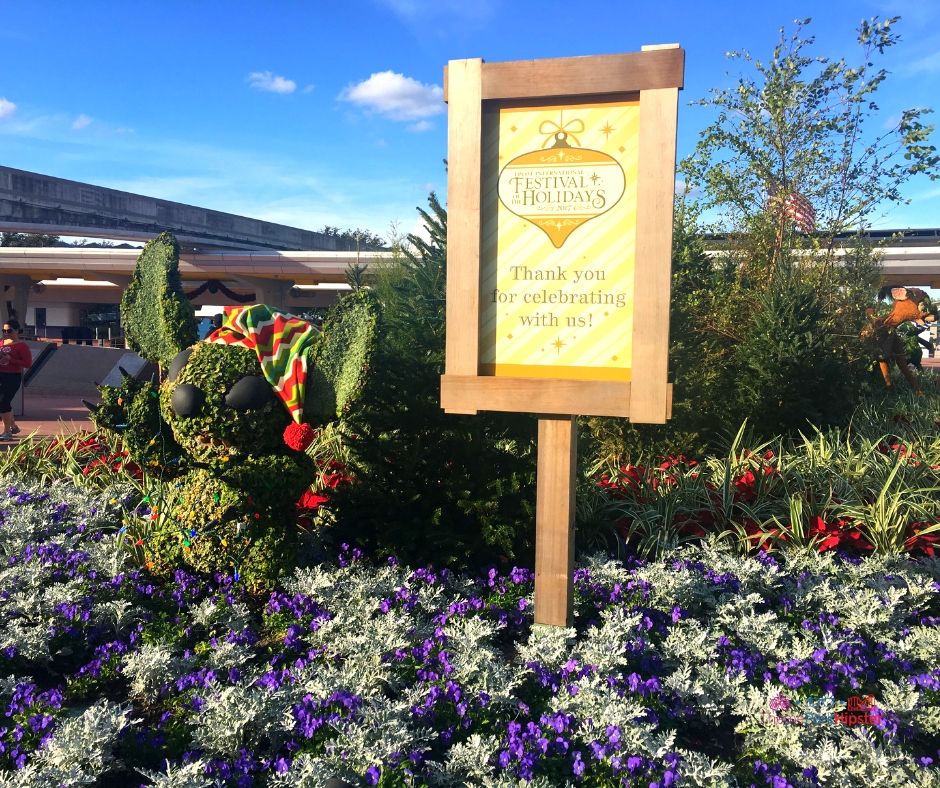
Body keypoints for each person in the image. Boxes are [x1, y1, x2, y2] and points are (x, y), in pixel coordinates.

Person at [0, 319, 32, 440]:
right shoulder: (2, 343)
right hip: (1, 375)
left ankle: (7, 432)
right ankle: (13, 426)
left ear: (17, 331)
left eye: (9, 330)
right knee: (4, 403)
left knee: (3, 403)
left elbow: (27, 363)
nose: (6, 333)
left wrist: (10, 359)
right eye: (4, 330)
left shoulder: (22, 346)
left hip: (12, 377)